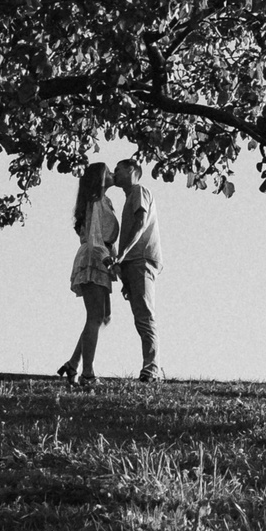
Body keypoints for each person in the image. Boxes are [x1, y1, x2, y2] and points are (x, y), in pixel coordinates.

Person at [56, 161, 119, 387]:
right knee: (95, 316)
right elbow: (94, 238)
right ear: (99, 179)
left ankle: (73, 363)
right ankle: (87, 373)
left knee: (104, 316)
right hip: (94, 257)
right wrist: (108, 259)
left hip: (101, 257)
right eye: (108, 172)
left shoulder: (106, 202)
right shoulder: (95, 202)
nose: (112, 174)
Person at [109, 156, 163, 382]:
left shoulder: (140, 191)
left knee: (144, 314)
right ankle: (151, 367)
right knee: (140, 314)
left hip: (141, 259)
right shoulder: (129, 197)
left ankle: (152, 369)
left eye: (118, 169)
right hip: (133, 262)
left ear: (132, 170)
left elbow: (140, 224)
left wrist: (122, 254)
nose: (115, 173)